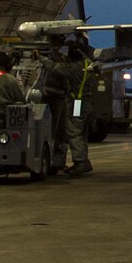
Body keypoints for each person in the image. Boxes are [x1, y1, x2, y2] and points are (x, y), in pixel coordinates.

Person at [46, 36, 96, 177]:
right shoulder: (88, 64)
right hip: (88, 103)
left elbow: (54, 68)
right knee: (82, 134)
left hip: (77, 104)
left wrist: (41, 59)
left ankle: (80, 162)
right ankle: (84, 161)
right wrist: (78, 43)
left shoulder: (72, 68)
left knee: (73, 132)